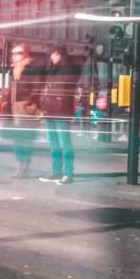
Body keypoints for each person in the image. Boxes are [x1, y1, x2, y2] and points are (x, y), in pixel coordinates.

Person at [39, 46, 81, 185]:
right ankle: (56, 171)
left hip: (62, 109)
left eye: (53, 55)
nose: (52, 57)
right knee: (53, 142)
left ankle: (68, 173)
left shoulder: (68, 69)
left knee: (64, 142)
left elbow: (64, 88)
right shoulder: (53, 69)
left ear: (59, 54)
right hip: (50, 109)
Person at [6, 44, 43, 179]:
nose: (14, 56)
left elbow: (37, 86)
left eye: (18, 53)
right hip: (15, 108)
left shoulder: (31, 68)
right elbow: (12, 90)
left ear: (25, 54)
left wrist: (29, 102)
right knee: (17, 140)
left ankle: (24, 168)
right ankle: (19, 166)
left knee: (26, 140)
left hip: (26, 108)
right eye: (13, 53)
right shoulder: (15, 70)